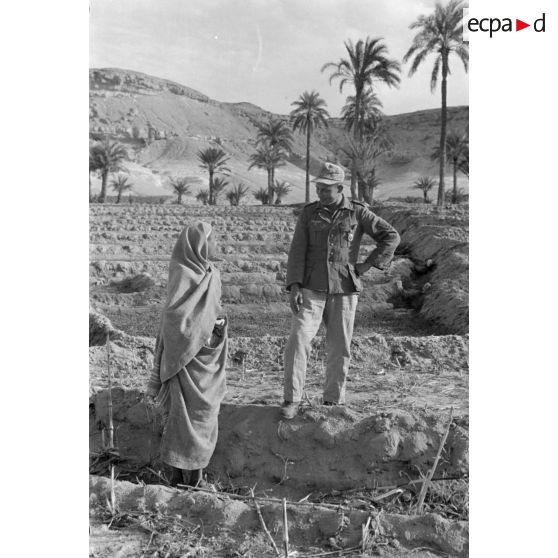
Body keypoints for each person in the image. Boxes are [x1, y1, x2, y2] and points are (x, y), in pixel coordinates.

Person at [281, 162, 400, 419]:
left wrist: (366, 266)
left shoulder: (357, 213)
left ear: (340, 188)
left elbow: (391, 236)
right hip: (311, 288)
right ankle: (292, 399)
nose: (321, 193)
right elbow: (297, 250)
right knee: (298, 340)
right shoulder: (309, 213)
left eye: (326, 189)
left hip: (344, 288)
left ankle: (332, 402)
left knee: (339, 347)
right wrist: (294, 285)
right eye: (319, 188)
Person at [146, 222, 227, 486]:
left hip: (206, 358)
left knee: (205, 415)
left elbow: (212, 311)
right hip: (184, 361)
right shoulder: (182, 273)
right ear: (200, 245)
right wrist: (203, 327)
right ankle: (180, 477)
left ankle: (196, 475)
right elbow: (175, 319)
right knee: (181, 420)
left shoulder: (213, 274)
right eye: (213, 240)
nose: (217, 245)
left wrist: (218, 325)